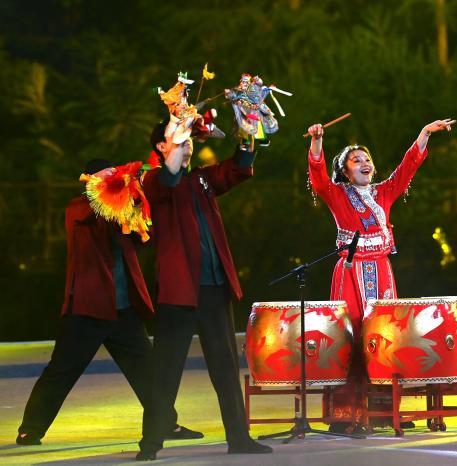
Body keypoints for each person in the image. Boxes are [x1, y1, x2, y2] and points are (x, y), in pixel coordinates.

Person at [16, 159, 202, 446]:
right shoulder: (78, 207)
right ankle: (31, 428)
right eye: (108, 177)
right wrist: (106, 188)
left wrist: (136, 196)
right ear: (91, 180)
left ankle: (166, 424)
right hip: (87, 308)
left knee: (148, 371)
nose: (114, 181)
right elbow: (95, 212)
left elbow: (144, 237)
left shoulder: (121, 208)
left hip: (124, 309)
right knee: (62, 370)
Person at [306, 118, 455, 432]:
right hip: (351, 272)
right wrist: (317, 141)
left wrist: (424, 133)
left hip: (382, 270)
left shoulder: (383, 192)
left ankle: (384, 412)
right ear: (344, 170)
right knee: (351, 338)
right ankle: (345, 414)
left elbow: (406, 169)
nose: (364, 163)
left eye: (367, 159)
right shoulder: (337, 194)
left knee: (385, 338)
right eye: (355, 160)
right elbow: (318, 177)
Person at [136, 123, 272, 460]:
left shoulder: (200, 179)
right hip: (178, 291)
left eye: (190, 142)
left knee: (226, 369)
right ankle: (150, 444)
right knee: (166, 371)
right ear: (162, 147)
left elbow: (236, 169)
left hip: (214, 288)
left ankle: (239, 439)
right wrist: (177, 131)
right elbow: (168, 178)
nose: (189, 147)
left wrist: (247, 131)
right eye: (181, 141)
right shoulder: (152, 180)